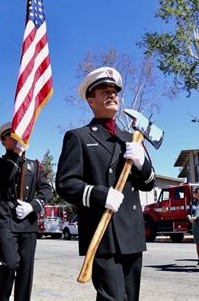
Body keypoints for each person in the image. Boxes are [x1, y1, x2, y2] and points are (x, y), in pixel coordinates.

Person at [56, 67, 155, 300]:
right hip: (102, 231)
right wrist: (100, 195)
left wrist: (142, 163)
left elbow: (148, 185)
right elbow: (65, 183)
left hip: (131, 232)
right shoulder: (79, 136)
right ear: (91, 100)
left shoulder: (130, 139)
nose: (112, 95)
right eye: (104, 91)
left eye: (115, 91)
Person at [0, 122, 52, 301]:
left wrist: (33, 206)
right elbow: (4, 177)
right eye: (11, 136)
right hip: (6, 221)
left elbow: (47, 189)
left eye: (18, 135)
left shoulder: (36, 166)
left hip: (28, 222)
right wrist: (17, 153)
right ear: (3, 142)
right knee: (9, 264)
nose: (16, 139)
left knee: (26, 270)